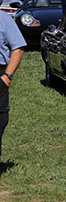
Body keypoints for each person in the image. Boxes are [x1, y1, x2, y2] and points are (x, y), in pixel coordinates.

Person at [0, 9, 25, 161]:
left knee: (0, 120)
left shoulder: (4, 19)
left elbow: (18, 48)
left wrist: (7, 77)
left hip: (0, 76)